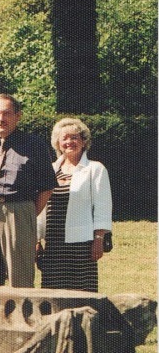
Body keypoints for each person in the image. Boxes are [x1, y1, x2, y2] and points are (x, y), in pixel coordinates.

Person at [0, 94, 57, 288]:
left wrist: (28, 213)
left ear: (18, 116)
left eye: (6, 113)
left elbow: (47, 186)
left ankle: (23, 318)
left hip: (19, 211)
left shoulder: (34, 144)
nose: (0, 119)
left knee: (19, 277)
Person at [37, 118, 112, 293]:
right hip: (53, 242)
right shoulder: (51, 169)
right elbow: (41, 208)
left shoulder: (95, 169)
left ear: (84, 141)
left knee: (81, 293)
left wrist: (99, 240)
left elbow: (102, 206)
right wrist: (37, 239)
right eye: (65, 138)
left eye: (75, 138)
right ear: (58, 143)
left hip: (81, 244)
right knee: (52, 292)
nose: (69, 142)